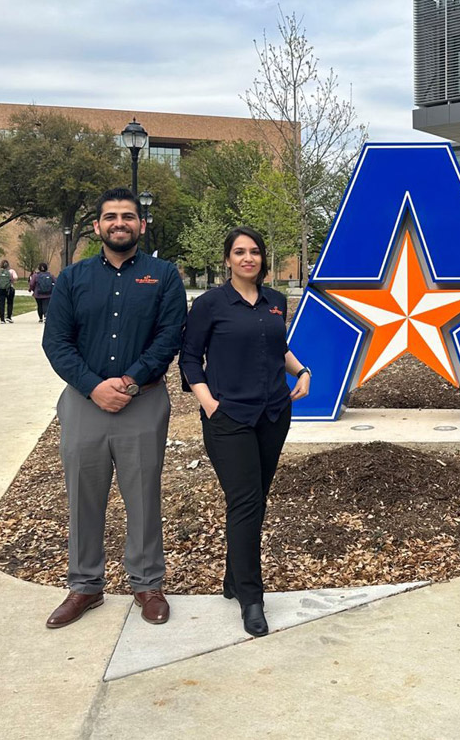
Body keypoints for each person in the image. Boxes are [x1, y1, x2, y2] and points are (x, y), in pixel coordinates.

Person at [42, 187, 187, 628]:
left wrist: (128, 380)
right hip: (84, 403)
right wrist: (92, 386)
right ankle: (85, 585)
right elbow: (56, 341)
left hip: (143, 401)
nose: (119, 223)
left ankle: (147, 583)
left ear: (141, 225)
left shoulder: (164, 276)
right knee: (84, 495)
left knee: (143, 494)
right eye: (111, 216)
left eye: (128, 216)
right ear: (97, 226)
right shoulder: (72, 278)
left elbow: (170, 336)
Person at [179, 226, 311, 637]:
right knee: (245, 501)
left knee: (255, 501)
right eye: (239, 252)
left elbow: (277, 347)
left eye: (254, 251)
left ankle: (234, 578)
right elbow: (189, 359)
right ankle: (252, 598)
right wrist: (209, 404)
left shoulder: (276, 301)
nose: (247, 258)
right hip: (229, 418)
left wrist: (301, 370)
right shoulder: (209, 304)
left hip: (273, 414)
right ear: (227, 260)